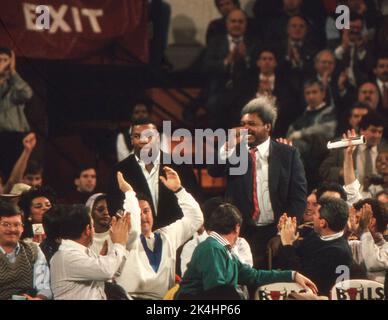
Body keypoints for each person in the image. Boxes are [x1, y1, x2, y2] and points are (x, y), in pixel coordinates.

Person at [208, 97, 307, 268]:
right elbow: (214, 171)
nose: (245, 129)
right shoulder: (233, 151)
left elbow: (298, 198)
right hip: (240, 232)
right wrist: (228, 146)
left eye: (252, 124)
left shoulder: (288, 154)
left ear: (267, 126)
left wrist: (281, 234)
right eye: (243, 123)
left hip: (275, 231)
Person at [175, 202, 317, 300]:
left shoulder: (223, 249)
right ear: (237, 228)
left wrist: (293, 275)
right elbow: (217, 292)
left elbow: (254, 275)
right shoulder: (212, 248)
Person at [114, 167, 204, 300]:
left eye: (146, 211)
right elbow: (133, 228)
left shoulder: (167, 235)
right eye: (138, 213)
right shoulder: (125, 239)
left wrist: (179, 190)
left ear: (153, 213)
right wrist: (129, 193)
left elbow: (196, 219)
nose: (143, 216)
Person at [107, 118, 201, 230]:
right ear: (131, 140)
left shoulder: (179, 165)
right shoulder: (119, 171)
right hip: (138, 240)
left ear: (158, 138)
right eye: (137, 136)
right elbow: (115, 207)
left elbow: (195, 199)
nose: (144, 141)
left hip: (177, 237)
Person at [49, 199, 133, 300]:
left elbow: (114, 271)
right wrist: (119, 243)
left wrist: (123, 240)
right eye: (92, 226)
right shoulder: (66, 257)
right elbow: (107, 271)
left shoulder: (83, 252)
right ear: (88, 229)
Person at [277, 197, 353, 296]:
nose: (313, 217)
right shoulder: (317, 236)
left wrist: (287, 244)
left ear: (322, 223)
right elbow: (295, 259)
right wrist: (287, 238)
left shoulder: (338, 252)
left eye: (316, 214)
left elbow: (303, 278)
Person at [180, 197, 253, 277]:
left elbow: (247, 275)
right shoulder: (192, 246)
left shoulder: (240, 243)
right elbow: (189, 279)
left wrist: (231, 247)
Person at [319, 111, 387, 187]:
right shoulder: (342, 146)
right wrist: (343, 172)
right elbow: (324, 170)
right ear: (362, 130)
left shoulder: (385, 148)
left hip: (380, 196)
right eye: (373, 131)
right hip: (350, 194)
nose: (377, 136)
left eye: (380, 132)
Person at [0, 200, 51, 300]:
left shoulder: (33, 250)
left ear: (22, 228)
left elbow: (44, 286)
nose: (12, 229)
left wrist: (38, 298)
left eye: (17, 225)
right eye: (6, 224)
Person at [0, 47, 33, 179]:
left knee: (13, 173)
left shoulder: (14, 86)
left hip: (13, 135)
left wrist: (12, 72)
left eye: (5, 60)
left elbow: (27, 94)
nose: (2, 63)